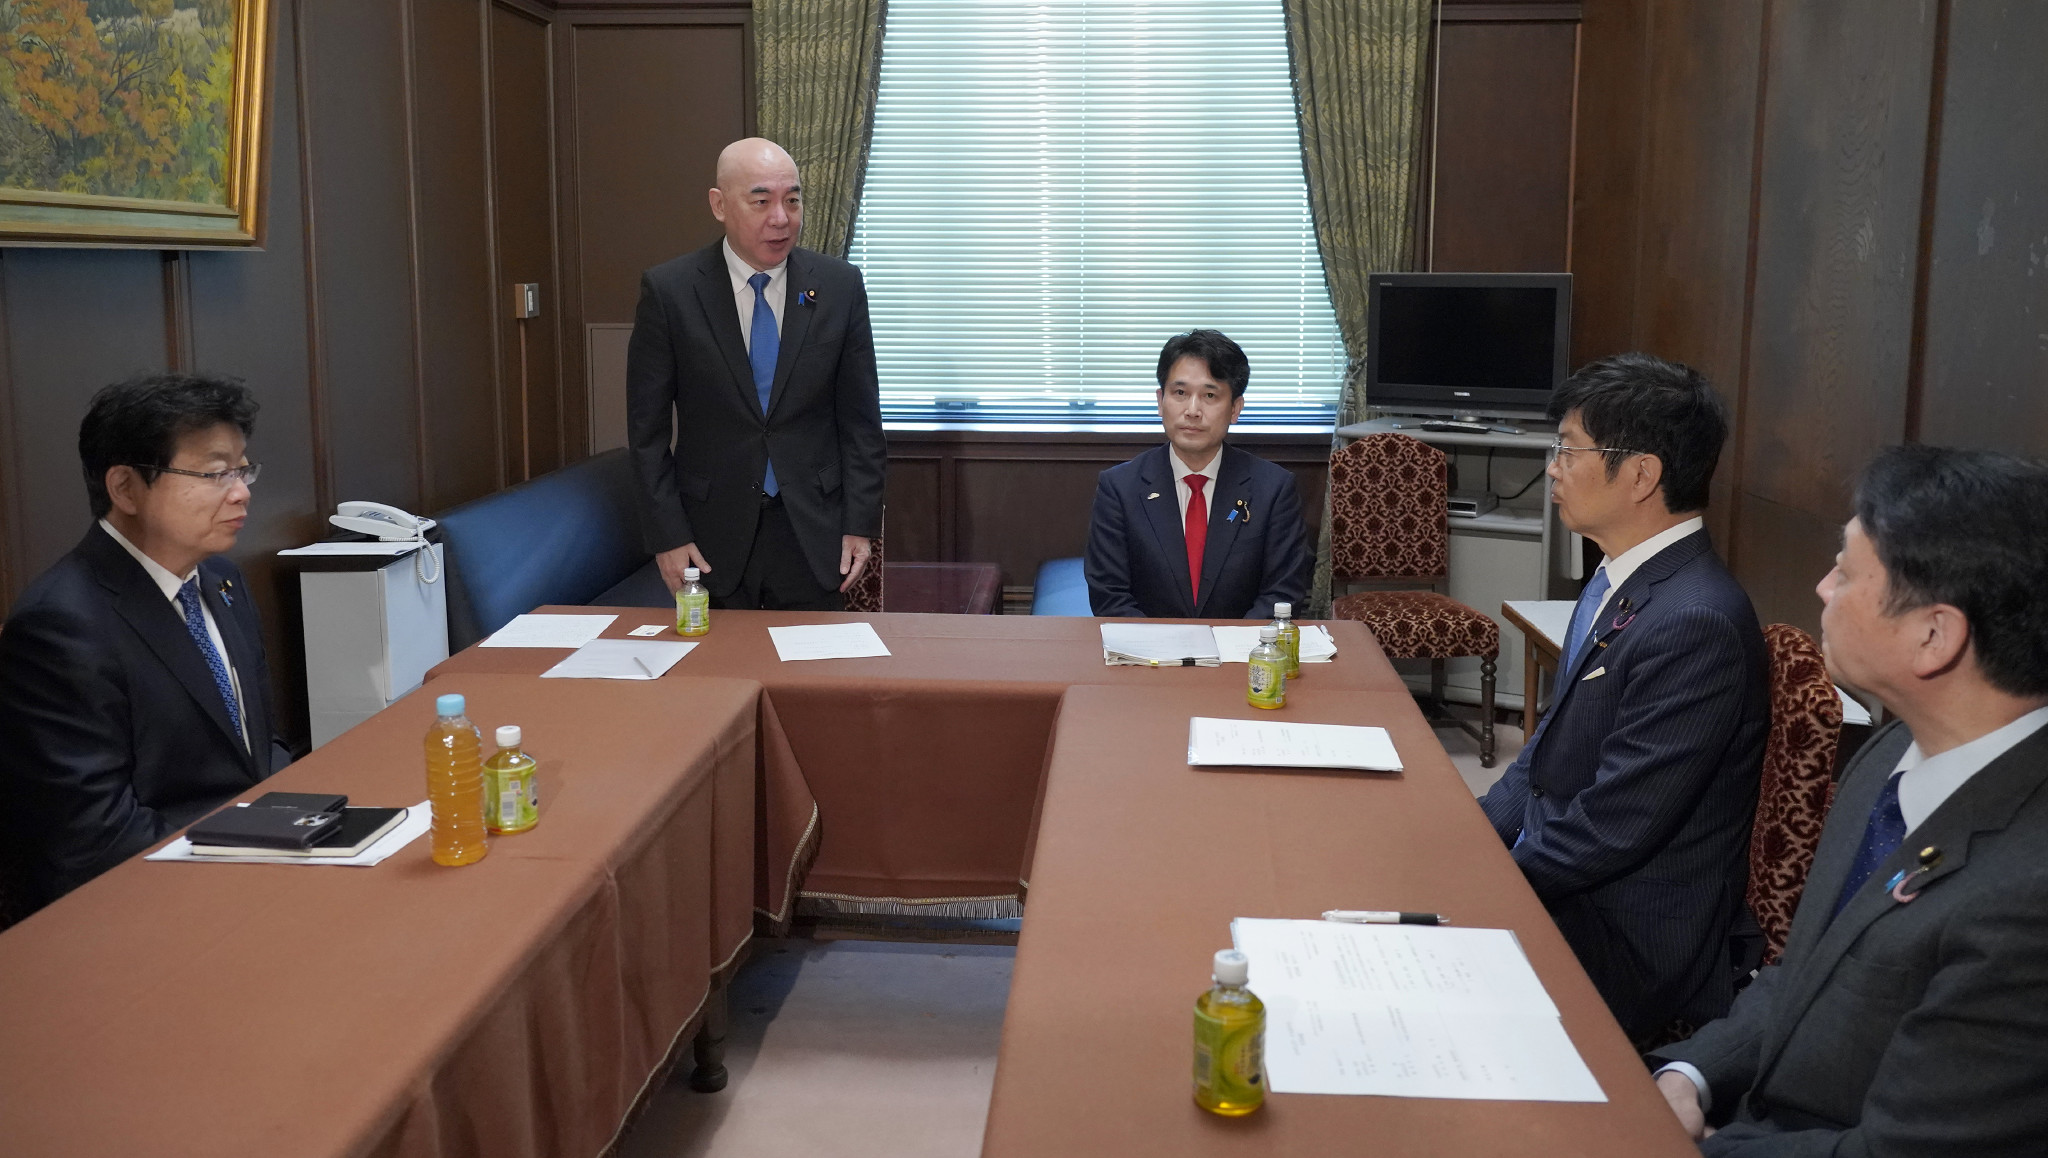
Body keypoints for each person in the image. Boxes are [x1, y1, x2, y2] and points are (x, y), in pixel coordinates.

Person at [1649, 446, 2048, 1156]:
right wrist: (1689, 1075)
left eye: (1846, 572)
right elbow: (1808, 972)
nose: (1822, 587)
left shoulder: (2025, 899)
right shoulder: (1890, 755)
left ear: (1934, 635)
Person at [1478, 353, 1768, 1042]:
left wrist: (1485, 885)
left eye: (1568, 449)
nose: (1553, 468)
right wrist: (1470, 837)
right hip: (1576, 878)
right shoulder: (1621, 576)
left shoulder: (1697, 621)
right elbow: (1545, 754)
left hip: (1628, 935)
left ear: (1640, 474)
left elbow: (1613, 827)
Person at [0, 373, 282, 906]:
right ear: (125, 488)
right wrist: (247, 866)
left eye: (242, 470)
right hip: (150, 900)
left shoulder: (222, 579)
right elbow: (93, 838)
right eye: (215, 473)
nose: (242, 492)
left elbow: (258, 750)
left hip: (250, 858)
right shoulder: (61, 626)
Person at [625, 137, 885, 611]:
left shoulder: (839, 286)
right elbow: (647, 435)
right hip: (708, 537)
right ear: (719, 205)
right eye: (761, 201)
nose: (781, 218)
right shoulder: (671, 292)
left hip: (814, 531)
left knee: (814, 659)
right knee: (718, 660)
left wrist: (860, 524)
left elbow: (862, 421)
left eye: (793, 200)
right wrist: (667, 536)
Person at [1084, 329, 1310, 619]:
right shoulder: (1119, 488)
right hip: (1147, 646)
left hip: (1242, 646)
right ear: (1160, 401)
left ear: (1235, 409)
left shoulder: (1274, 489)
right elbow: (1110, 597)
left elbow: (1282, 594)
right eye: (1180, 393)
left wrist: (1230, 645)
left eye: (1210, 395)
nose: (1192, 410)